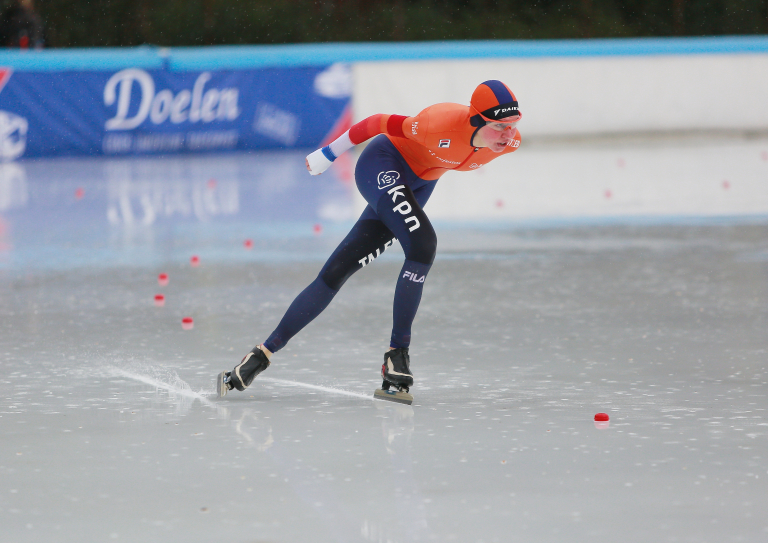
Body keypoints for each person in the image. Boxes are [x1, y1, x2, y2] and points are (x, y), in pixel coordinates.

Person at [219, 80, 522, 396]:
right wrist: (329, 153)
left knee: (339, 269)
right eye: (499, 126)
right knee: (423, 245)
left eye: (513, 125)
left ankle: (261, 354)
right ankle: (397, 354)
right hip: (383, 164)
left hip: (418, 186)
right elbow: (376, 122)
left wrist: (504, 131)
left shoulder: (510, 142)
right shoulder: (437, 123)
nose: (508, 135)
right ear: (476, 119)